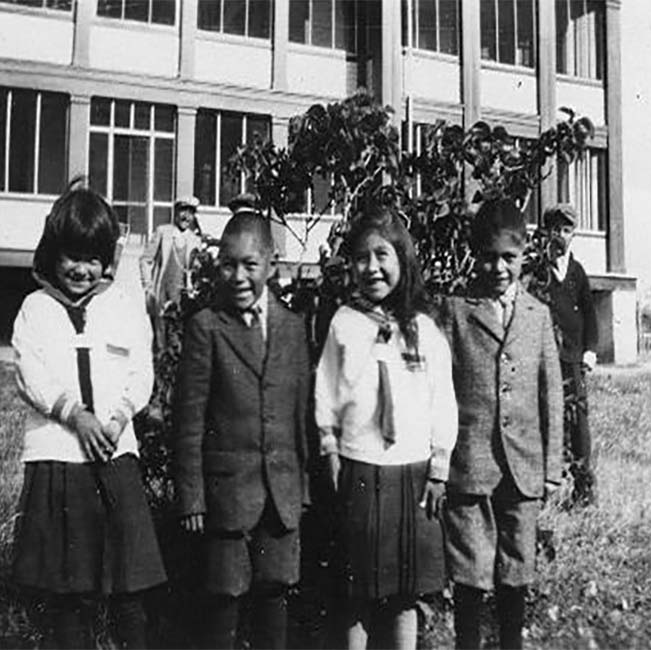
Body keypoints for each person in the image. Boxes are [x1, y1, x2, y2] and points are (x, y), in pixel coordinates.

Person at [11, 182, 166, 649]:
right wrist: (74, 415)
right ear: (53, 255)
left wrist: (117, 419)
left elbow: (141, 368)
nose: (82, 270)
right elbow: (29, 370)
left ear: (107, 261)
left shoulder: (120, 307)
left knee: (130, 590)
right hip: (61, 463)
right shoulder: (35, 309)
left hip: (116, 460)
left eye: (94, 258)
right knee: (70, 594)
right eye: (72, 257)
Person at [315, 205, 457, 650]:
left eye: (382, 256)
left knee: (403, 593)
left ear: (402, 260)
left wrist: (439, 467)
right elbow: (326, 391)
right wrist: (331, 448)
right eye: (361, 257)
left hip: (410, 473)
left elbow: (443, 400)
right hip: (359, 466)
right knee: (355, 590)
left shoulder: (423, 327)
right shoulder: (343, 322)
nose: (371, 267)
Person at [172, 211, 310, 649]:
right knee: (223, 598)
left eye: (250, 265)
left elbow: (300, 413)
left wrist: (303, 487)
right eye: (228, 264)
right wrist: (191, 494)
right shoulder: (206, 327)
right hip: (226, 493)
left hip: (281, 493)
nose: (238, 276)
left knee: (275, 592)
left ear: (271, 263)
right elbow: (189, 420)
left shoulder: (293, 327)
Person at [440, 198, 563, 650]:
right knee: (470, 574)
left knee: (516, 571)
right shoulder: (455, 311)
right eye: (488, 256)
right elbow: (441, 391)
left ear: (525, 254)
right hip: (470, 466)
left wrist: (551, 469)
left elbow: (551, 393)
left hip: (523, 469)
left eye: (508, 257)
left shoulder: (538, 315)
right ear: (475, 253)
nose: (498, 267)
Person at [541, 203, 599, 507]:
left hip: (573, 358)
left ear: (574, 234)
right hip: (546, 356)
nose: (560, 236)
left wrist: (590, 350)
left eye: (566, 230)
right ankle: (543, 489)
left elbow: (590, 314)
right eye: (555, 229)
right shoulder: (539, 270)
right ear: (546, 232)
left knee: (578, 422)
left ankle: (582, 488)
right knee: (546, 418)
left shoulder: (577, 272)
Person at [139, 195, 203, 352]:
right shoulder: (163, 232)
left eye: (190, 212)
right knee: (160, 343)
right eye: (182, 211)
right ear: (176, 212)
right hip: (162, 295)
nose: (185, 216)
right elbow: (146, 260)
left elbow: (196, 271)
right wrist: (148, 287)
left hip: (182, 299)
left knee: (179, 343)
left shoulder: (195, 240)